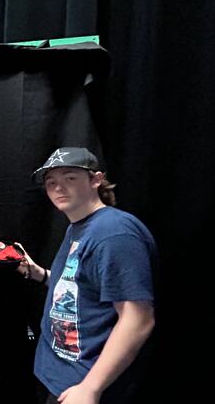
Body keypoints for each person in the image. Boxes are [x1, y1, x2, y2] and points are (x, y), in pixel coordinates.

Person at [17, 147, 156, 404]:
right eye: (51, 182)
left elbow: (138, 319)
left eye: (70, 178)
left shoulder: (114, 233)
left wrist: (91, 388)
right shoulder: (79, 227)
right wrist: (40, 274)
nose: (59, 188)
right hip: (59, 376)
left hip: (86, 385)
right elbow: (82, 287)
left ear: (96, 180)